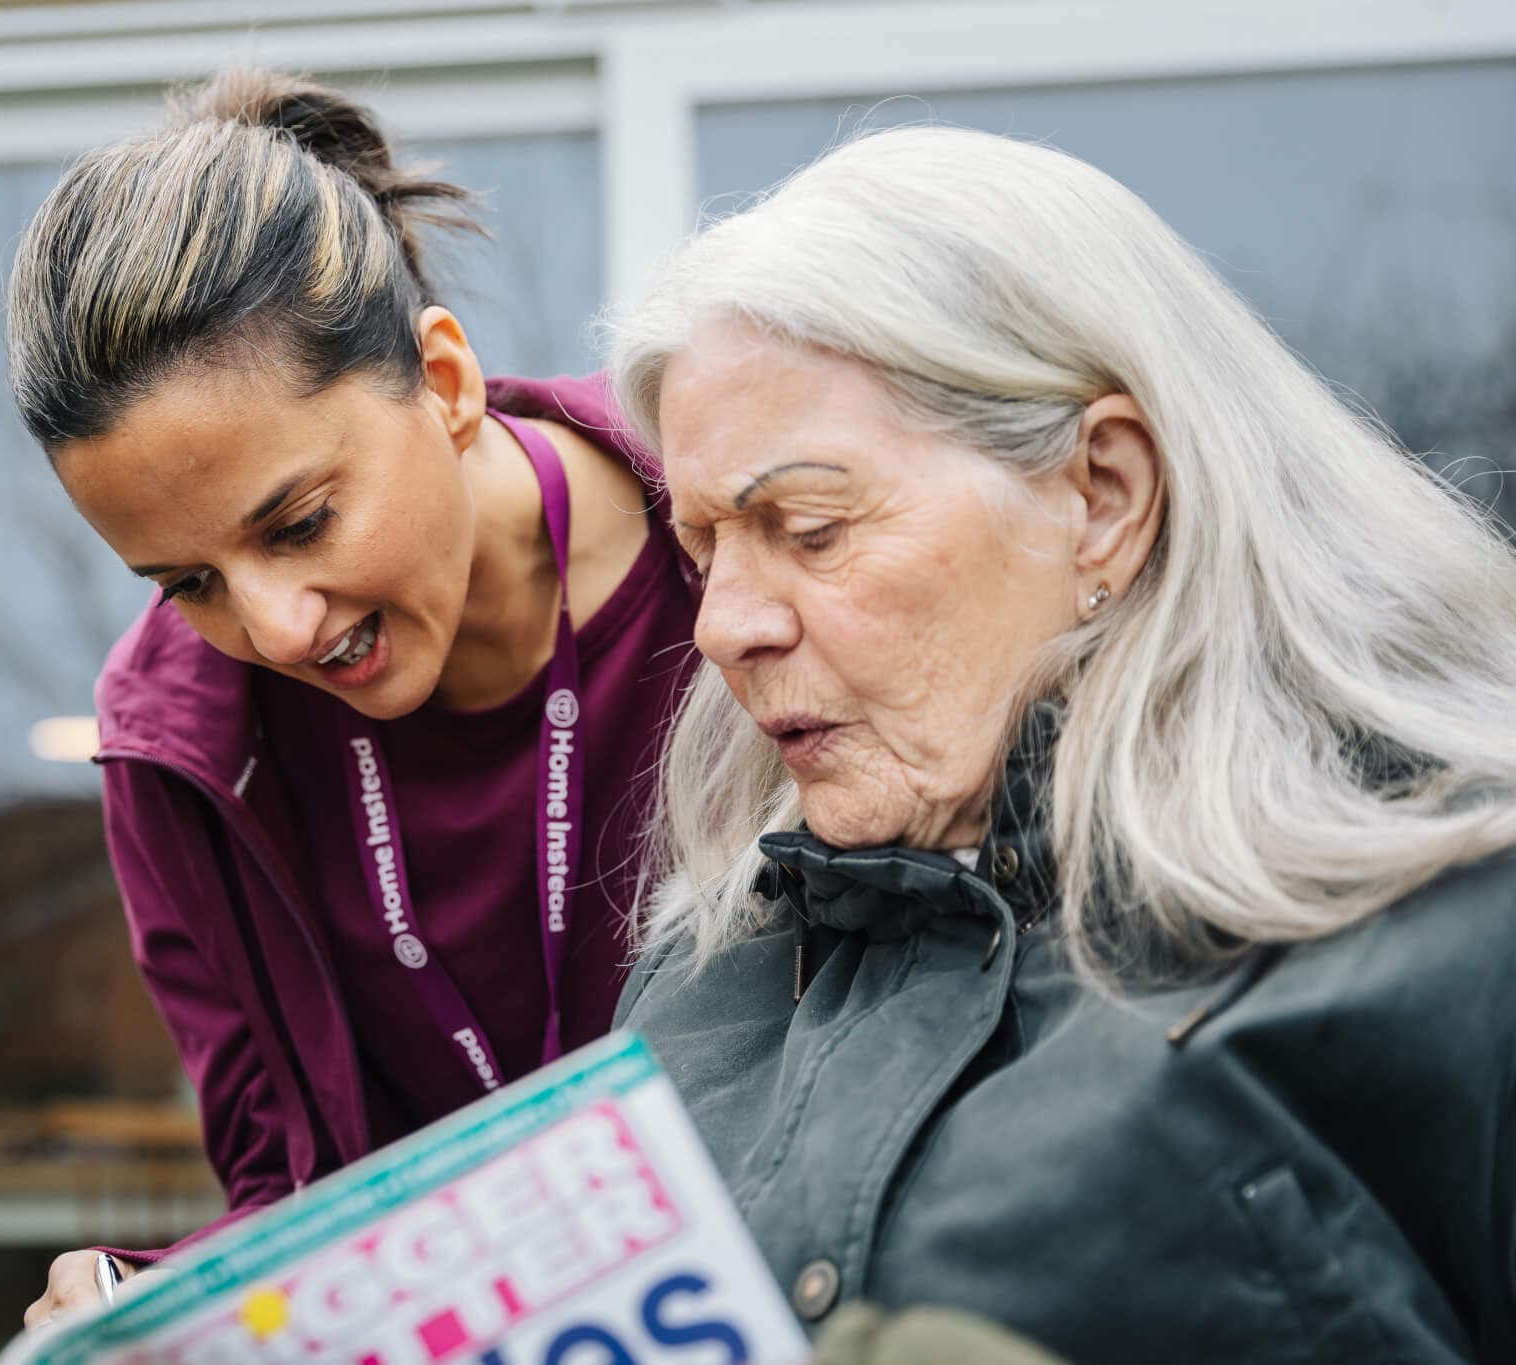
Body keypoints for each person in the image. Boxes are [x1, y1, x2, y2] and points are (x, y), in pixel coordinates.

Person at [607, 125, 1516, 1363]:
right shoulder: (705, 976)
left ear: (1102, 496)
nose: (723, 627)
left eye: (809, 527)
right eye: (703, 550)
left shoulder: (1459, 928)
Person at [6, 71, 700, 1324]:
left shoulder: (739, 556)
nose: (271, 628)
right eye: (185, 583)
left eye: (302, 521)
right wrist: (156, 1303)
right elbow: (289, 1179)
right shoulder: (176, 744)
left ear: (442, 382)